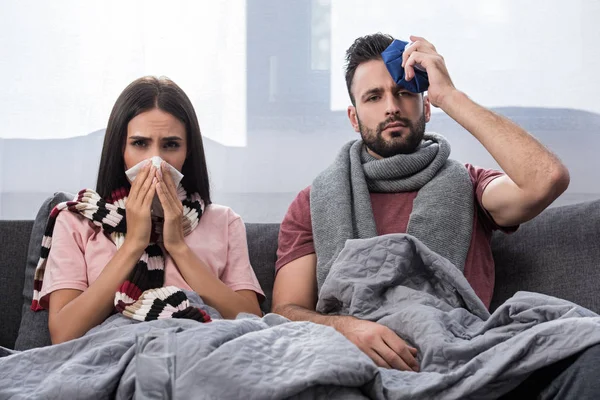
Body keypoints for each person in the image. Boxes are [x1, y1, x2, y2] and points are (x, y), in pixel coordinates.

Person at [272, 33, 600, 397]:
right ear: (354, 116)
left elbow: (546, 179)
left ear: (426, 107)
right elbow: (286, 310)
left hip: (467, 362)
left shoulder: (470, 185)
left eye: (404, 92)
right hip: (357, 362)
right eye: (373, 97)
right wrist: (347, 328)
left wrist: (449, 96)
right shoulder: (314, 202)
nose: (391, 107)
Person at [32, 76, 264, 344]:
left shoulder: (224, 222)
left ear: (188, 151)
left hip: (201, 350)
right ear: (120, 148)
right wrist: (134, 243)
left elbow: (252, 322)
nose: (155, 161)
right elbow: (63, 334)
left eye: (171, 145)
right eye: (140, 143)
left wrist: (177, 246)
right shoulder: (76, 221)